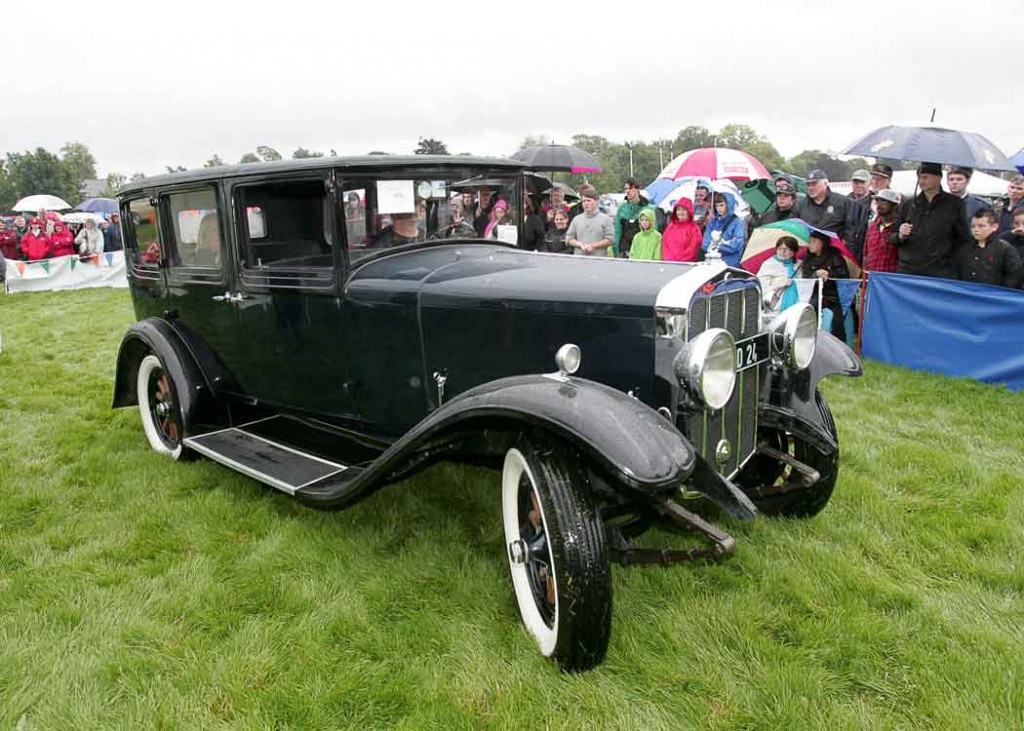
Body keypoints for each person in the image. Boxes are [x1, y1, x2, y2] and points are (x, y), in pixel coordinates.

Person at [894, 162, 969, 279]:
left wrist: (952, 267)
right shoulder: (909, 204)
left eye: (925, 177)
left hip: (940, 273)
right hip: (908, 271)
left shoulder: (955, 204)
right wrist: (900, 235)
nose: (921, 181)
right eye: (919, 177)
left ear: (938, 178)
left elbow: (963, 239)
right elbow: (892, 236)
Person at [795, 169, 863, 257]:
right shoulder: (801, 204)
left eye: (814, 184)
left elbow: (852, 230)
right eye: (808, 184)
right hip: (809, 254)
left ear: (825, 183)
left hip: (835, 255)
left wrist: (845, 248)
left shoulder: (843, 202)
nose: (811, 187)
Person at [801, 230, 849, 341]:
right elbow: (805, 278)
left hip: (833, 294)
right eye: (809, 241)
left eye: (814, 241)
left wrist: (829, 274)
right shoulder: (807, 258)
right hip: (815, 294)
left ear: (822, 243)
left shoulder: (835, 256)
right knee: (810, 311)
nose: (810, 245)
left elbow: (844, 275)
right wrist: (815, 274)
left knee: (838, 321)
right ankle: (810, 340)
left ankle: (840, 343)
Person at [956, 209, 1022, 289]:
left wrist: (1001, 294)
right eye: (973, 226)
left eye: (981, 226)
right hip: (967, 292)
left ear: (994, 227)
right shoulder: (965, 248)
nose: (976, 230)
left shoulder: (1005, 249)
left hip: (992, 295)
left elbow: (1013, 275)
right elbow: (957, 271)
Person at [565, 186, 614, 256]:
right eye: (583, 201)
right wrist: (579, 244)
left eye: (588, 200)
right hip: (579, 260)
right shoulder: (576, 219)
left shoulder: (606, 219)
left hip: (599, 260)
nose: (585, 203)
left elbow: (610, 239)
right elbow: (569, 238)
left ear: (596, 201)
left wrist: (593, 246)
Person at [701, 191, 746, 267]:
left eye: (722, 205)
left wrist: (718, 246)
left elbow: (737, 244)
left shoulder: (737, 222)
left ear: (729, 205)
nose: (719, 208)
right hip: (712, 262)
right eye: (717, 206)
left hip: (731, 263)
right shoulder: (712, 222)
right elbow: (705, 243)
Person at [757, 236, 801, 311]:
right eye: (780, 248)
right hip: (775, 305)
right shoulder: (769, 264)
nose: (782, 252)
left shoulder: (799, 265)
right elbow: (761, 287)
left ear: (793, 252)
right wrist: (780, 284)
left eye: (787, 249)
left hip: (798, 303)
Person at [863, 189, 901, 273]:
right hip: (872, 279)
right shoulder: (872, 226)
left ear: (894, 205)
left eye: (884, 201)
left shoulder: (900, 228)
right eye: (877, 201)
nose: (879, 205)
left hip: (890, 280)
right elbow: (866, 254)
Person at [661, 198, 703, 262]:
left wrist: (680, 261)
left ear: (689, 211)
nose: (680, 212)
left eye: (684, 210)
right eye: (678, 210)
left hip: (686, 264)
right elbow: (665, 246)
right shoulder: (670, 227)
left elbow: (693, 249)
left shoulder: (694, 229)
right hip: (669, 263)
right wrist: (669, 260)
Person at [614, 178, 648, 257]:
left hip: (641, 252)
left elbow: (652, 231)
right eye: (626, 189)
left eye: (630, 188)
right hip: (624, 251)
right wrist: (616, 251)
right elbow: (617, 231)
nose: (627, 191)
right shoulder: (622, 209)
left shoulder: (647, 209)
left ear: (637, 189)